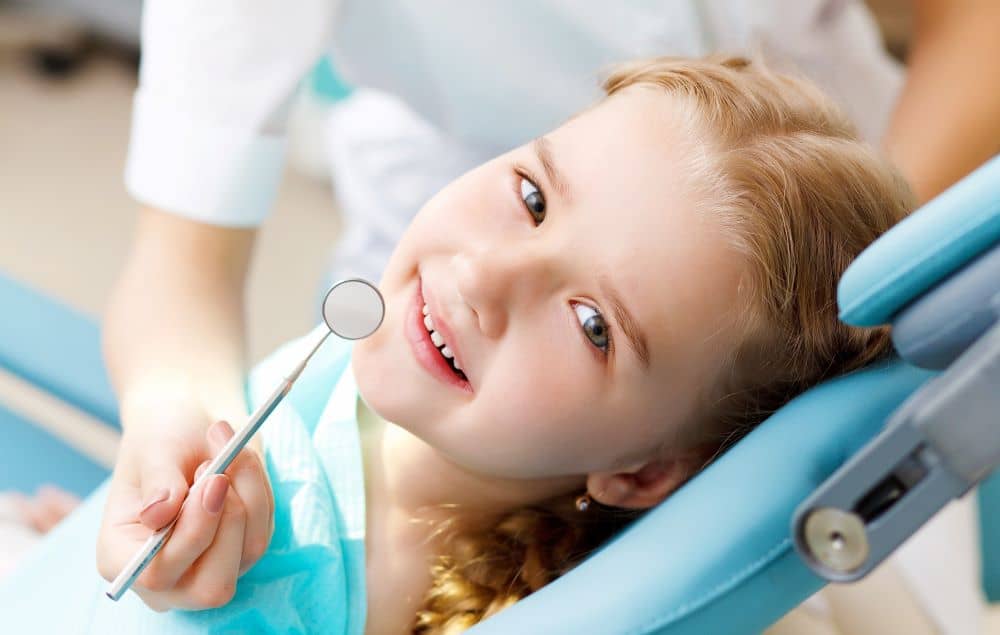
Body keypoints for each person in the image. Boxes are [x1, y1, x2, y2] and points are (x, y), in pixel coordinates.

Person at [1, 55, 918, 634]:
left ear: (641, 474)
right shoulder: (380, 384)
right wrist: (142, 462)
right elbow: (175, 279)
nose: (483, 278)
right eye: (532, 196)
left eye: (594, 325)